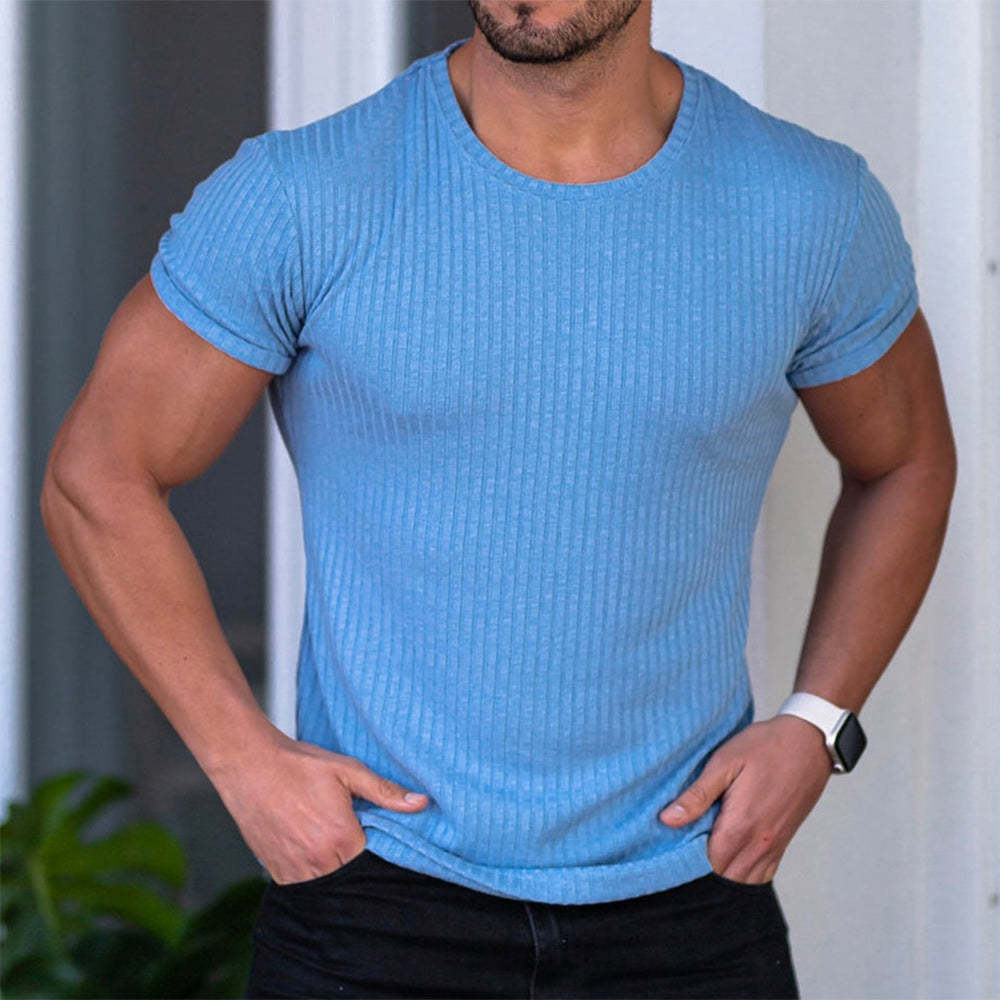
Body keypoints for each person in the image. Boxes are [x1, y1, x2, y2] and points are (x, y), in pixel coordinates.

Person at [40, 1, 956, 997]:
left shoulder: (808, 206)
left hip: (690, 899)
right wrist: (239, 758)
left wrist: (818, 722)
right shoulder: (303, 194)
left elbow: (905, 461)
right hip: (373, 896)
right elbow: (99, 475)